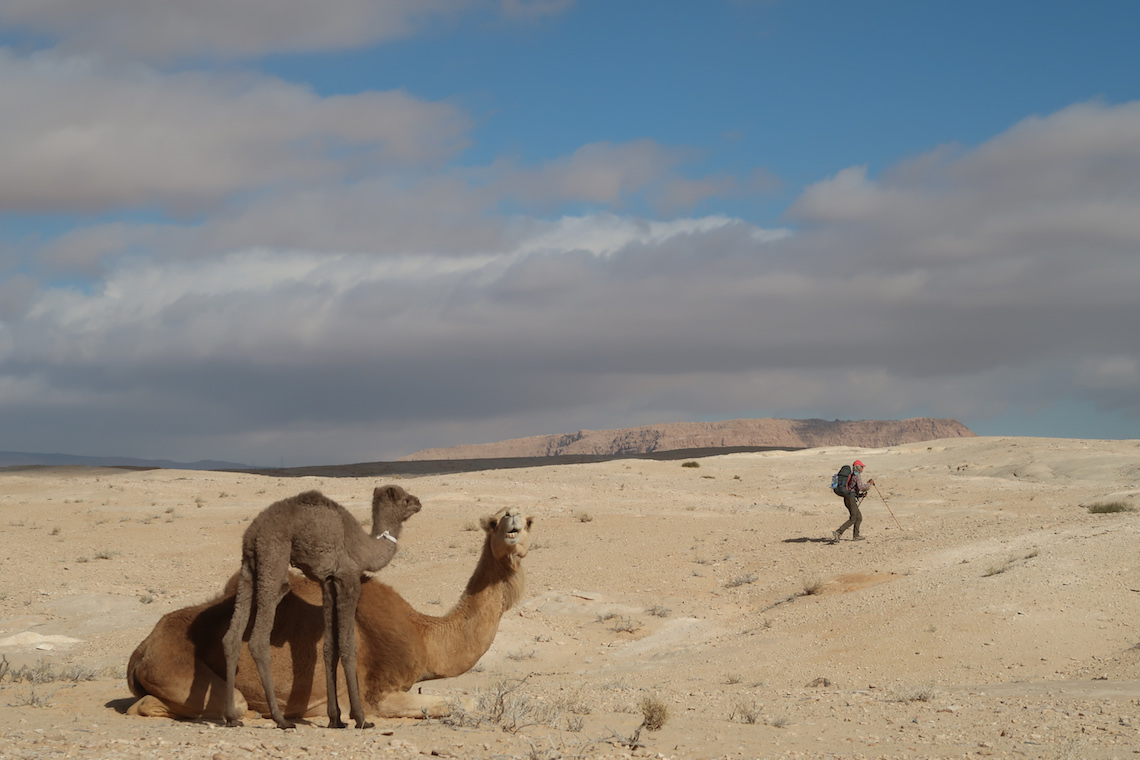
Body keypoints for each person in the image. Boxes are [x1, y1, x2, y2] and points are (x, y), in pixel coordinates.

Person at [832, 459, 873, 542]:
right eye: (862, 467)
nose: (863, 468)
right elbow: (861, 487)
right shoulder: (856, 475)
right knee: (853, 518)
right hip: (850, 498)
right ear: (858, 467)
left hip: (848, 498)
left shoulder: (852, 475)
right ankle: (838, 532)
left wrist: (860, 495)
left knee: (859, 517)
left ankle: (856, 536)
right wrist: (870, 484)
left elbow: (852, 488)